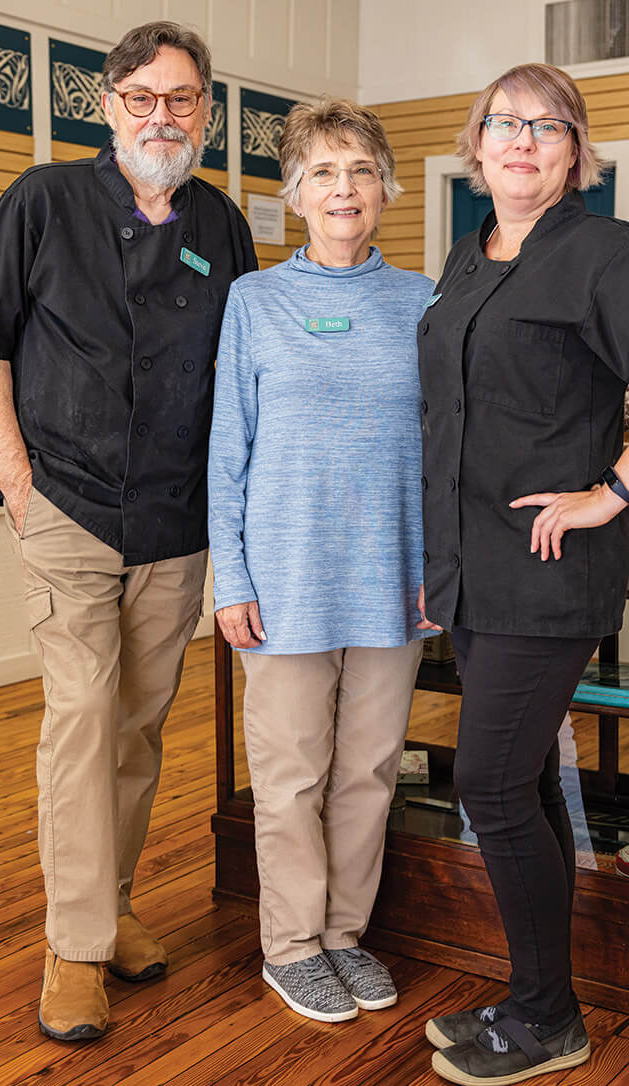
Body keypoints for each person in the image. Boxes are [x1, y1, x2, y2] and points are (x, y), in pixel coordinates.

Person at [416, 62, 629, 1086]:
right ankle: (535, 1000)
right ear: (476, 147)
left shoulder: (607, 255)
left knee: (491, 785)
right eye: (505, 123)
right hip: (472, 575)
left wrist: (613, 488)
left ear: (575, 153)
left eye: (547, 127)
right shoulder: (467, 261)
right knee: (527, 789)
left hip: (548, 573)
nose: (523, 141)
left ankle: (549, 1019)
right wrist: (439, 565)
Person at [0, 21, 257, 1041]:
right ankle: (71, 949)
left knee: (134, 731)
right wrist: (16, 476)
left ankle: (111, 905)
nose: (163, 116)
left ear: (208, 111)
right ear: (107, 103)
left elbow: (245, 373)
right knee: (80, 724)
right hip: (67, 508)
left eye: (183, 99)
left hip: (174, 521)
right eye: (143, 98)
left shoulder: (222, 219)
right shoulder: (40, 201)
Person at [209, 97, 433, 1023]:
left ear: (384, 188)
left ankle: (344, 932)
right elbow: (228, 449)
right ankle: (292, 944)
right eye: (325, 173)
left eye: (361, 172)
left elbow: (444, 446)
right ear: (296, 193)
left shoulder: (426, 300)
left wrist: (442, 568)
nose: (345, 189)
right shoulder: (252, 302)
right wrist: (233, 577)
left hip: (396, 580)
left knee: (371, 769)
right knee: (291, 773)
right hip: (286, 584)